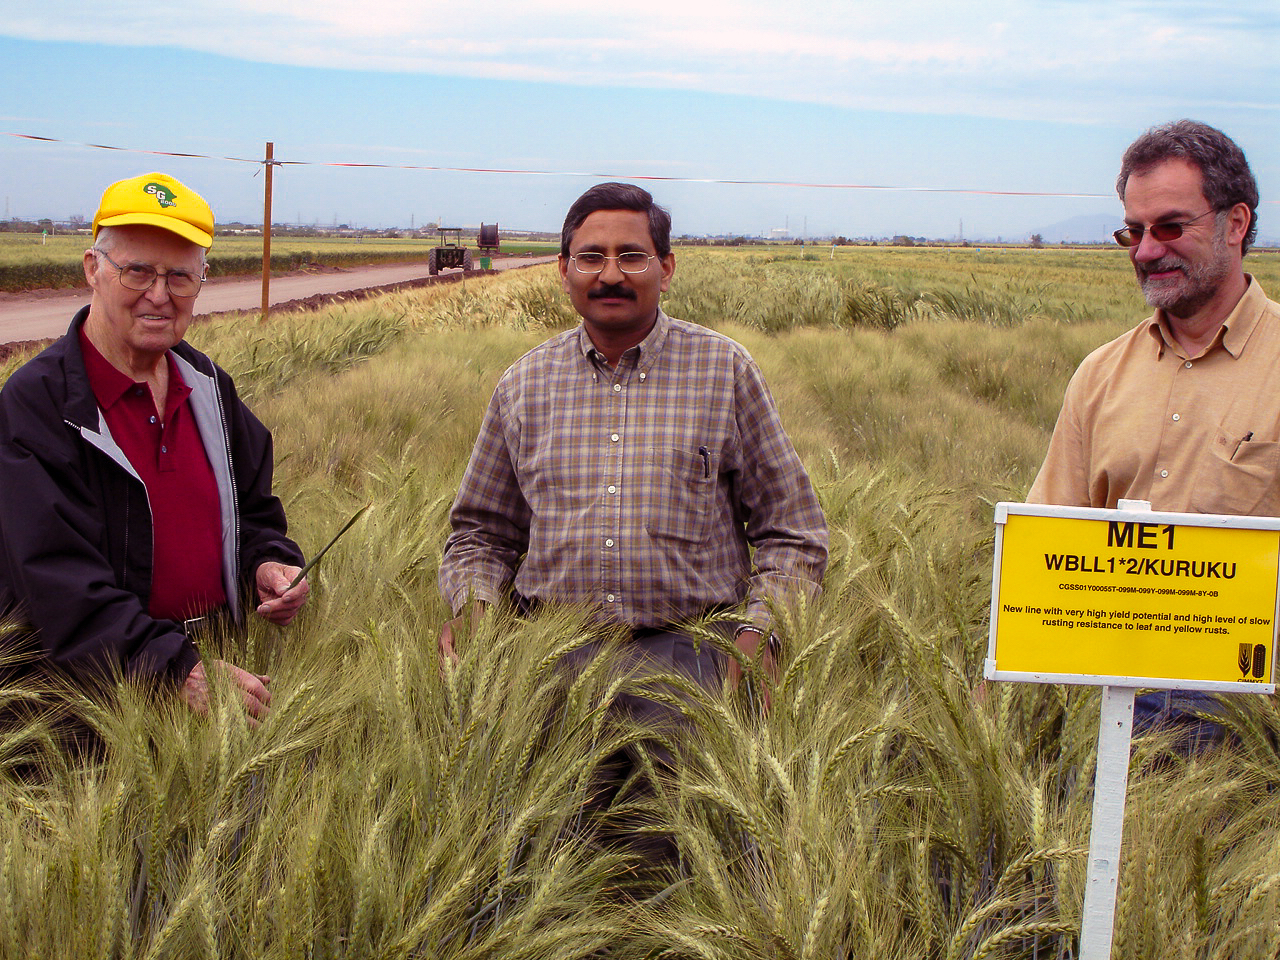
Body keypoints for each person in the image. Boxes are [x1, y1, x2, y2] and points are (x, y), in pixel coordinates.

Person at [437, 182, 828, 863]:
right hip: (551, 669)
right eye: (590, 256)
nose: (610, 274)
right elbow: (480, 534)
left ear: (666, 268)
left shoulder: (725, 372)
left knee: (693, 875)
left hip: (694, 669)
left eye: (631, 255)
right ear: (563, 270)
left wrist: (761, 633)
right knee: (549, 873)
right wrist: (474, 610)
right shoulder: (523, 386)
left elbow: (791, 531)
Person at [0, 172, 309, 732]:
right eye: (137, 270)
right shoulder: (36, 406)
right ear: (93, 269)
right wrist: (175, 669)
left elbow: (253, 510)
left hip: (218, 679)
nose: (160, 295)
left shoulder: (211, 388)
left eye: (181, 276)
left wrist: (267, 562)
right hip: (92, 715)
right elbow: (56, 581)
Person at [1028, 120, 1272, 745]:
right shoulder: (1100, 374)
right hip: (1103, 705)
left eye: (1169, 227)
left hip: (1248, 720)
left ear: (1235, 224)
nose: (1145, 250)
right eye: (1133, 232)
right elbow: (1045, 541)